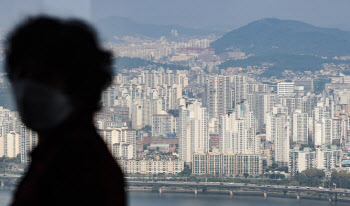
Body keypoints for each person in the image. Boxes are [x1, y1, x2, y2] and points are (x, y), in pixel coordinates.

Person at [5, 16, 126, 206]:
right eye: (21, 75)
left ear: (78, 87)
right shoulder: (54, 153)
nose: (27, 89)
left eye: (42, 77)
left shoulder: (81, 165)